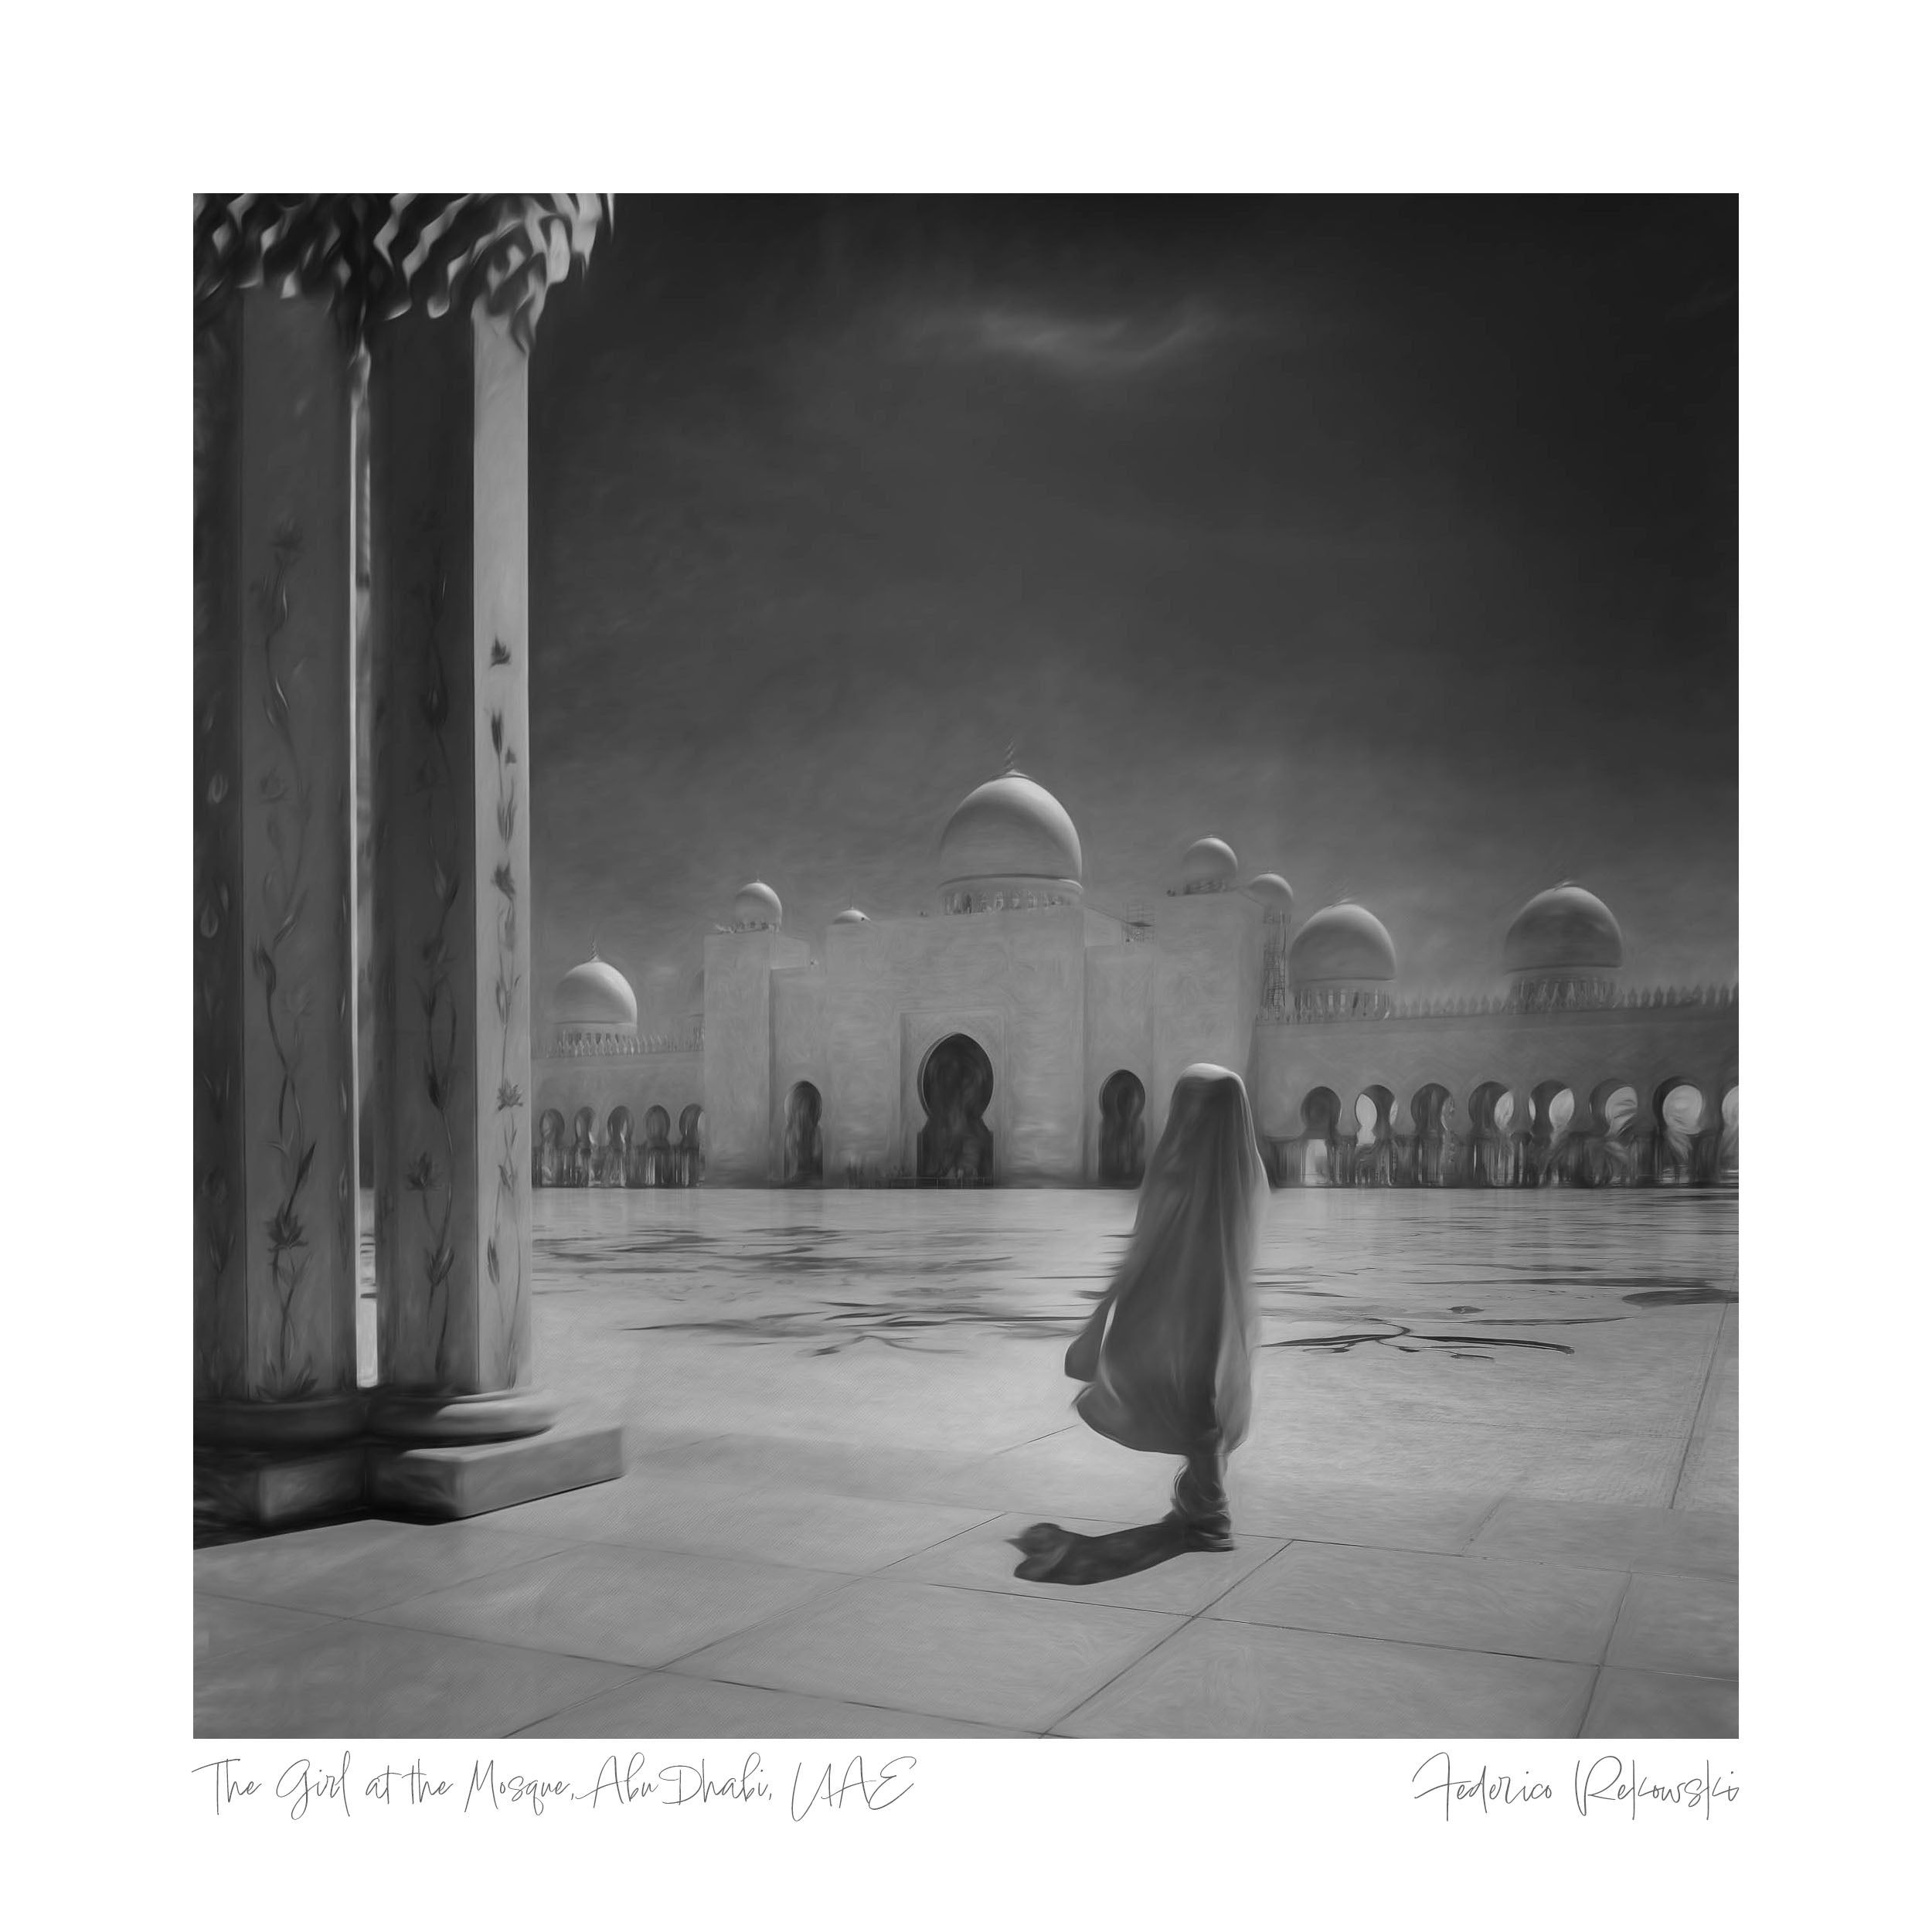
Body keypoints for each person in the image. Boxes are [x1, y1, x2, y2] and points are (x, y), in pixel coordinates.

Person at [1015, 1063, 1268, 1585]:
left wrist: (1105, 1309)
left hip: (1172, 1301)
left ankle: (1210, 1512)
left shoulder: (1177, 1170)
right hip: (1218, 1302)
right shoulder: (1243, 1170)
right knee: (1203, 1394)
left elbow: (1143, 1247)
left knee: (1180, 1392)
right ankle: (1205, 1506)